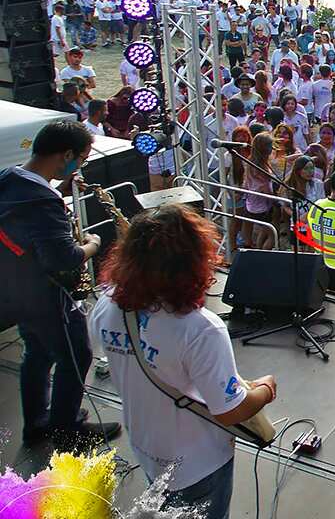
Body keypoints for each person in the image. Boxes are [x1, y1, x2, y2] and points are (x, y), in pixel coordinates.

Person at [89, 205, 276, 518]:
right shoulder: (200, 329)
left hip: (147, 447)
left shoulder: (106, 303)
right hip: (199, 464)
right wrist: (266, 390)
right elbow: (231, 410)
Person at [0, 120, 120, 448]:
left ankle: (37, 422)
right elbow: (62, 258)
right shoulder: (42, 198)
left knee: (37, 353)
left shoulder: (9, 178)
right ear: (66, 154)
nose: (78, 166)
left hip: (14, 291)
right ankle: (66, 429)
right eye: (80, 159)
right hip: (46, 294)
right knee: (76, 354)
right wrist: (92, 244)